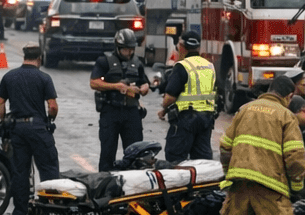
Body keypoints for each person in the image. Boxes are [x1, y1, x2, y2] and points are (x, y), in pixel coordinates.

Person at [213, 75, 305, 215]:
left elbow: (225, 146)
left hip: (239, 181)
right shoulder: (285, 116)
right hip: (269, 184)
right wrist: (297, 186)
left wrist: (230, 174)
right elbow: (294, 157)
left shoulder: (245, 109)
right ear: (289, 96)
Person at [0, 43, 59, 215]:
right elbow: (52, 106)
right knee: (48, 168)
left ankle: (20, 212)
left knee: (20, 172)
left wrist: (4, 119)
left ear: (24, 57)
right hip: (38, 128)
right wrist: (50, 119)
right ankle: (49, 211)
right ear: (39, 58)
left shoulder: (10, 76)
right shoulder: (44, 78)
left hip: (17, 129)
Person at [90, 28, 151, 171]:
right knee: (107, 152)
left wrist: (144, 88)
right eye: (125, 50)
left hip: (131, 112)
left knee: (135, 152)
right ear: (118, 48)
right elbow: (94, 82)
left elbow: (144, 81)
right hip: (111, 111)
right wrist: (117, 86)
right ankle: (105, 184)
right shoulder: (104, 61)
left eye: (131, 49)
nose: (129, 53)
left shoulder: (137, 63)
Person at [158, 33, 216, 162]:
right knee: (202, 160)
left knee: (175, 158)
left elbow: (170, 98)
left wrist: (164, 107)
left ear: (182, 47)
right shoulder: (209, 66)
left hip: (186, 119)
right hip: (206, 119)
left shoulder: (182, 66)